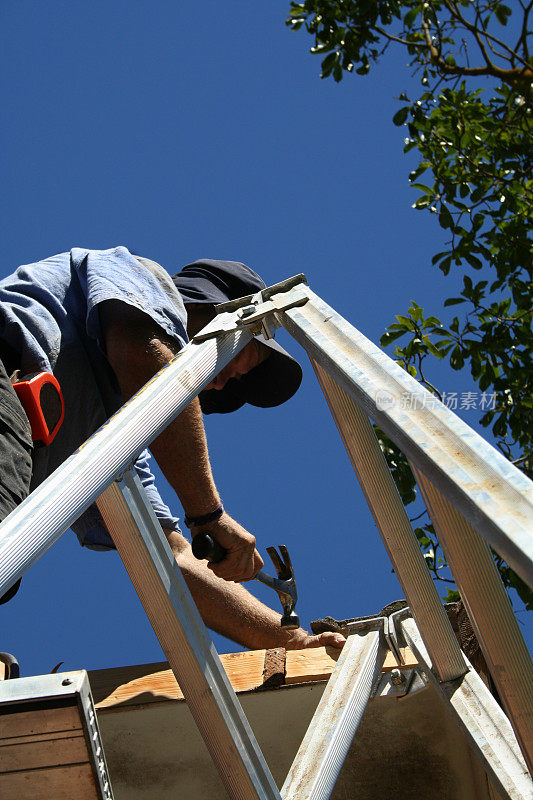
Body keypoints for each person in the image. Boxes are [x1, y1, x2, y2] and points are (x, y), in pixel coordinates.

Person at [0, 247, 344, 651]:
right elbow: (141, 351)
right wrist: (208, 515)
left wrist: (294, 641)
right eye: (238, 359)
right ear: (219, 308)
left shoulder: (116, 444)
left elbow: (170, 559)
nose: (221, 382)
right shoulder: (139, 275)